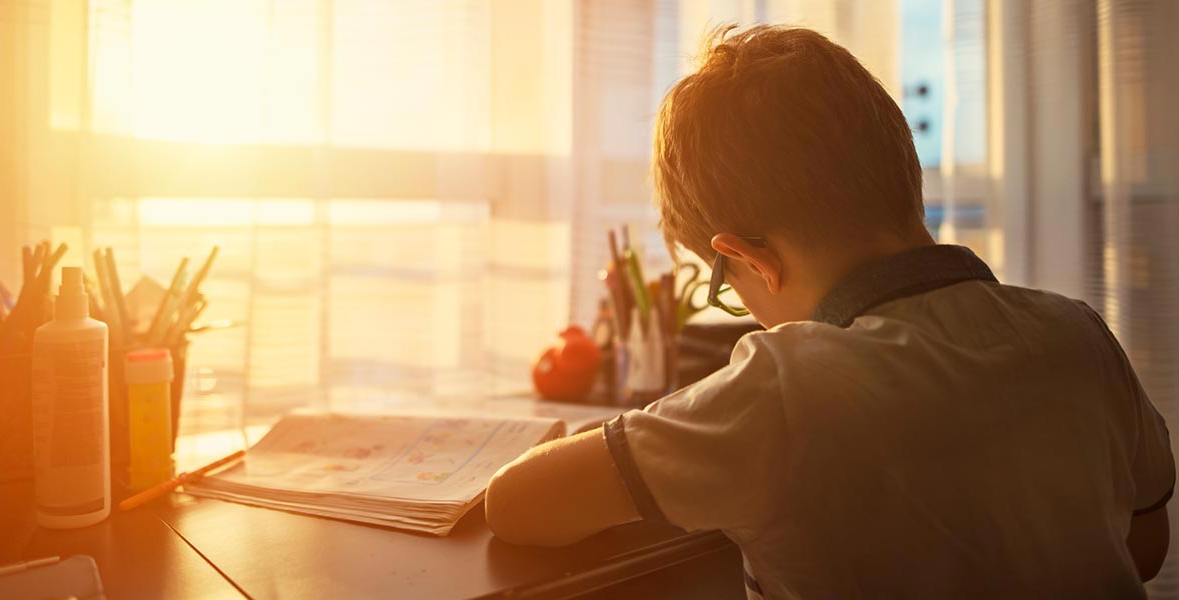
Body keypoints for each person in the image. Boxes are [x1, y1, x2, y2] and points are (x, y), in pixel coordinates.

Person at [484, 24, 1174, 598]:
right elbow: (1143, 546)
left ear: (753, 261)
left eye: (725, 282)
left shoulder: (781, 392)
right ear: (905, 175)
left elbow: (517, 505)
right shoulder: (1076, 334)